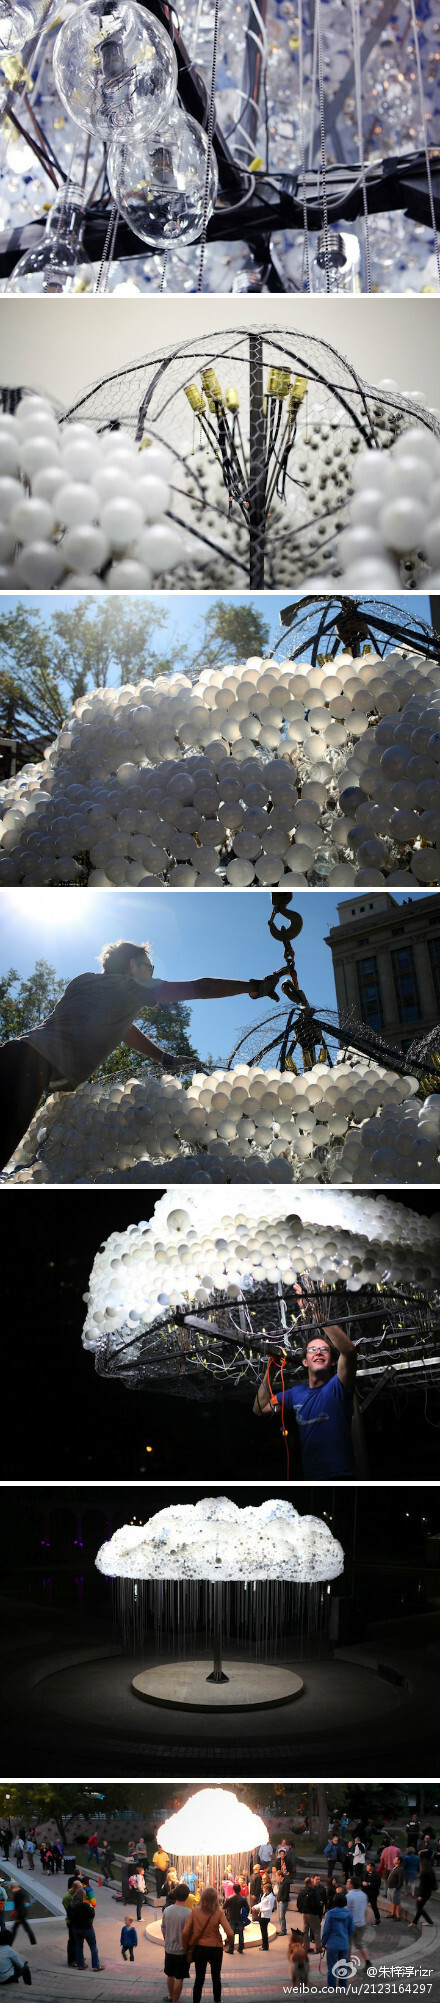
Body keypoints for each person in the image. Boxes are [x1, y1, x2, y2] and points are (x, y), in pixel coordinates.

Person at [0, 936, 284, 1172]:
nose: (151, 973)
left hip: (13, 1053)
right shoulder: (130, 987)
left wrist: (164, 1057)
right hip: (28, 1068)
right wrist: (253, 987)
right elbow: (201, 987)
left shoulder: (84, 981)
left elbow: (122, 1028)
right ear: (134, 965)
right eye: (149, 966)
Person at [253, 1316, 357, 1476]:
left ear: (333, 1362)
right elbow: (259, 1408)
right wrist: (271, 1371)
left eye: (324, 1349)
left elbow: (349, 1351)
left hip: (341, 1476)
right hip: (311, 1478)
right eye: (312, 1350)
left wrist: (317, 1316)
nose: (318, 1352)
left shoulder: (338, 1386)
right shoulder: (295, 1394)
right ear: (305, 1362)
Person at [182, 1884, 233, 2002]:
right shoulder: (218, 1913)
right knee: (216, 1977)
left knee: (199, 1978)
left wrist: (187, 1947)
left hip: (199, 1948)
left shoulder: (195, 1911)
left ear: (202, 1898)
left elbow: (185, 1932)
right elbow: (230, 1933)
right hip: (215, 1948)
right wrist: (226, 1942)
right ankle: (217, 2000)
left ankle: (196, 2001)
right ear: (215, 1898)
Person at [161, 1881, 191, 2003]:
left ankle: (171, 1996)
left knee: (169, 1974)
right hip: (182, 1951)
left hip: (169, 1949)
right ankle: (175, 2001)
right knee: (179, 1977)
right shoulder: (189, 1913)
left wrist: (167, 1939)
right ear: (187, 1896)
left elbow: (163, 1928)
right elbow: (191, 1932)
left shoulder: (167, 1910)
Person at [321, 1889, 355, 1991]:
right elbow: (351, 1929)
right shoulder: (349, 1914)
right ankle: (342, 1985)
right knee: (343, 1965)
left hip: (332, 1944)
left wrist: (323, 1942)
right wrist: (345, 1935)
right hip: (344, 1943)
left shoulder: (330, 1914)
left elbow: (326, 1930)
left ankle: (331, 1986)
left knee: (332, 1966)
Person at [68, 1886, 104, 1970]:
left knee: (78, 1946)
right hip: (87, 1928)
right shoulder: (85, 1905)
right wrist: (91, 1907)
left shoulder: (71, 1905)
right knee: (93, 1946)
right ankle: (96, 1966)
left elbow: (69, 1916)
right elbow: (92, 1914)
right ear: (83, 1896)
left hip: (76, 1929)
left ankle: (80, 1964)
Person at [346, 1878, 374, 1971]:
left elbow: (347, 1911)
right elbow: (366, 1910)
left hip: (351, 1924)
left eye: (348, 1882)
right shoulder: (364, 1895)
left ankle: (348, 1963)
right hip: (361, 1923)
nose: (347, 1883)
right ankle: (368, 1962)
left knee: (348, 1944)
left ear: (352, 1885)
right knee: (360, 1943)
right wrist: (365, 1922)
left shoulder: (349, 1896)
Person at [409, 1857, 437, 1929]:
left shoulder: (424, 1873)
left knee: (419, 1908)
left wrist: (420, 1895)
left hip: (423, 1893)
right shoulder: (430, 1872)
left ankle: (429, 1921)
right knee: (419, 1907)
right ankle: (414, 1922)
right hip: (428, 1893)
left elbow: (423, 1885)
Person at [254, 1881, 276, 1951]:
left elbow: (270, 1908)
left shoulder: (271, 1897)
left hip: (266, 1916)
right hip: (261, 1915)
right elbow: (261, 1903)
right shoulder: (264, 1895)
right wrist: (255, 1906)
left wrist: (261, 1910)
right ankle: (264, 1944)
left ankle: (265, 1946)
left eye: (264, 1889)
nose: (263, 1890)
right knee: (262, 1931)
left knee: (264, 1931)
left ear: (267, 1889)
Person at [224, 1882, 245, 1955]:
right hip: (240, 1918)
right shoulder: (243, 1899)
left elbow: (224, 1907)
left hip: (232, 1917)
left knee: (231, 1933)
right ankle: (241, 1948)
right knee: (241, 1933)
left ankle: (231, 1949)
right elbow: (247, 1909)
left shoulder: (229, 1898)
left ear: (233, 1889)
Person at [275, 1863, 291, 1936]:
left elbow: (286, 1893)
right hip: (279, 1900)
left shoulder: (286, 1882)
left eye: (277, 1876)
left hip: (282, 1901)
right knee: (279, 1916)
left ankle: (283, 1930)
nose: (276, 1878)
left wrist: (282, 1900)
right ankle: (282, 1929)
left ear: (280, 1876)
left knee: (282, 1916)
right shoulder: (282, 1882)